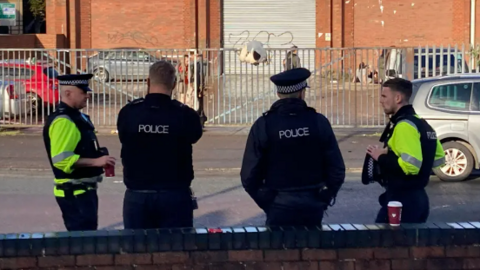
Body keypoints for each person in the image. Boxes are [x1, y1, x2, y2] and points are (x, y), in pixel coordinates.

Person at [240, 68, 346, 226]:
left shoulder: (264, 125)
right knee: (312, 247)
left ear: (278, 94)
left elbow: (249, 175)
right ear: (302, 92)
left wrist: (268, 202)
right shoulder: (318, 122)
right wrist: (324, 197)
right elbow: (337, 168)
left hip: (278, 204)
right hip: (313, 202)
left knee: (279, 248)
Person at [117, 60, 203, 229]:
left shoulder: (129, 113)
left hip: (138, 195)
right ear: (175, 84)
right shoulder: (186, 115)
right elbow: (194, 136)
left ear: (148, 81)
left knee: (137, 250)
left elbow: (124, 137)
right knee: (176, 249)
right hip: (175, 194)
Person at [365, 77, 445, 223]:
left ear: (397, 98)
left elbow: (411, 166)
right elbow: (438, 158)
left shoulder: (404, 126)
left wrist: (380, 157)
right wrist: (391, 153)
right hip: (419, 199)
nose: (381, 101)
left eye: (384, 96)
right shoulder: (421, 123)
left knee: (383, 241)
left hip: (402, 201)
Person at [42, 74, 116, 231]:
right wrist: (96, 161)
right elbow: (61, 159)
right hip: (74, 193)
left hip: (83, 190)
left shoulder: (78, 117)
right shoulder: (64, 121)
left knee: (86, 237)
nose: (87, 95)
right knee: (82, 242)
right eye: (82, 92)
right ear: (68, 93)